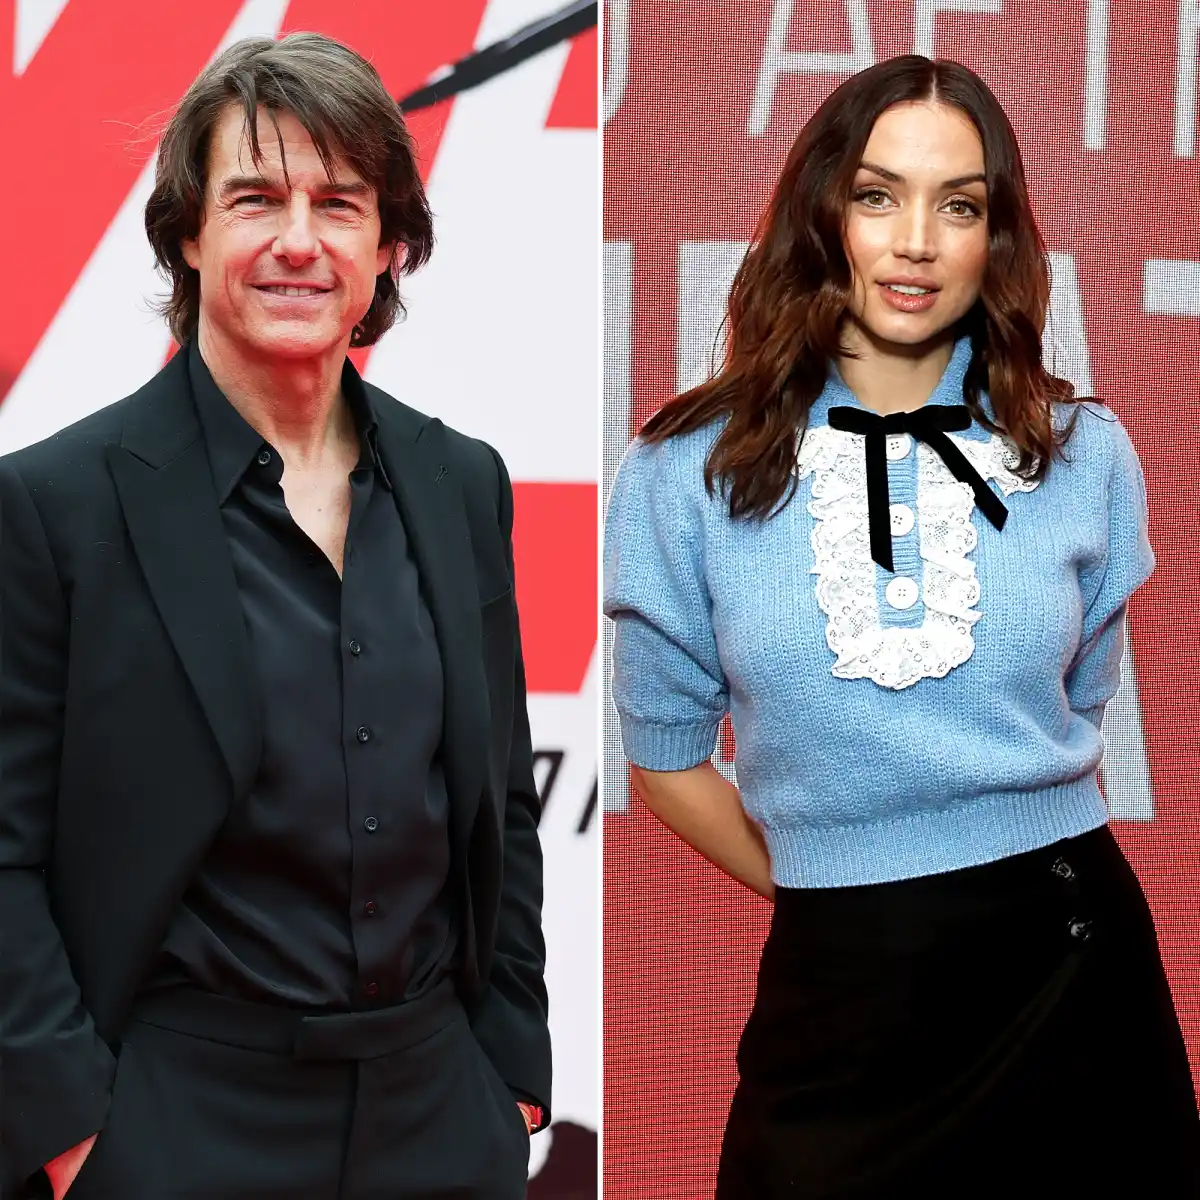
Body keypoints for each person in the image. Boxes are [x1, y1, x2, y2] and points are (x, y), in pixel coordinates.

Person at [604, 54, 1200, 1196]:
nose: (916, 240)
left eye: (959, 205)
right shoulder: (684, 468)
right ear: (822, 213)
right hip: (839, 989)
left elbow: (1076, 711)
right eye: (878, 196)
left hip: (1071, 977)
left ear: (996, 239)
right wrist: (843, 884)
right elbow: (665, 758)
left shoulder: (1082, 453)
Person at [0, 33, 549, 1200]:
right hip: (177, 1121)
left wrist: (510, 1077)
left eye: (339, 203)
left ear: (388, 244)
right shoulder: (54, 506)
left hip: (439, 1113)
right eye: (256, 198)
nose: (300, 240)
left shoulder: (462, 486)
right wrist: (76, 1138)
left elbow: (501, 796)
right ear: (188, 235)